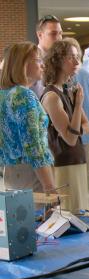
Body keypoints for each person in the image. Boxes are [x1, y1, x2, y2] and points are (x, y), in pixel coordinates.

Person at [41, 39, 89, 214]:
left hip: (76, 161)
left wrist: (75, 126)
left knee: (79, 216)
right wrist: (78, 105)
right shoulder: (52, 96)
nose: (77, 62)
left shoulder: (66, 91)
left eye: (78, 57)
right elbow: (70, 138)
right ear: (58, 60)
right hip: (63, 165)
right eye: (72, 57)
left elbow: (86, 127)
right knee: (67, 218)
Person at [0, 42, 55, 192]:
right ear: (23, 64)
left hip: (10, 172)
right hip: (32, 173)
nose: (42, 65)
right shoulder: (24, 95)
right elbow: (33, 146)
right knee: (39, 215)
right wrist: (49, 186)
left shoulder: (4, 95)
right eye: (38, 60)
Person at [65, 37, 89, 216]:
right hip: (85, 135)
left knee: (77, 174)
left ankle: (81, 208)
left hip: (75, 136)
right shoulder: (87, 75)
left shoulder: (75, 77)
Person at [32, 15, 63, 98]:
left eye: (60, 33)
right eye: (53, 34)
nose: (58, 38)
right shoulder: (30, 60)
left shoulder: (61, 60)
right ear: (39, 35)